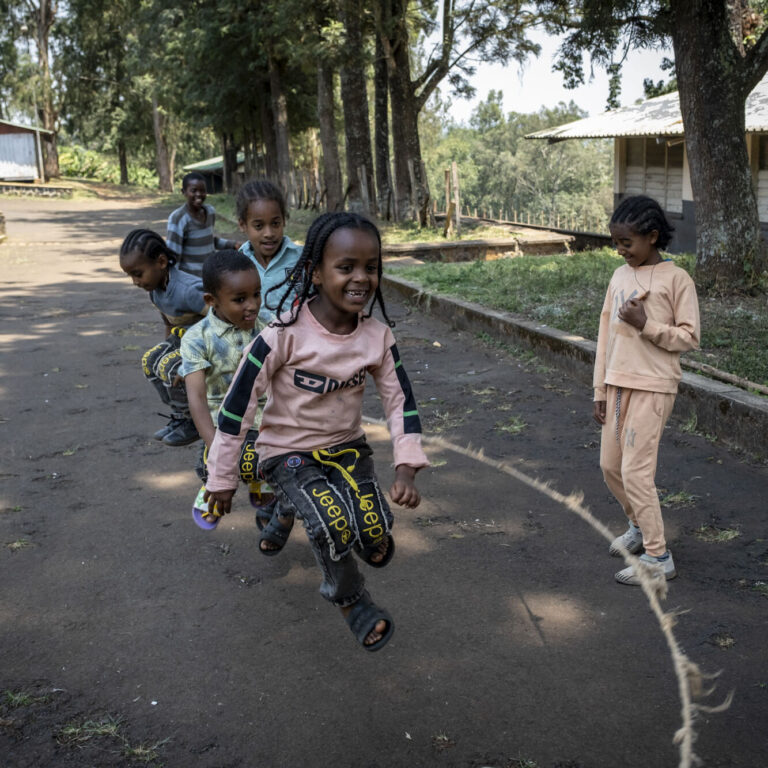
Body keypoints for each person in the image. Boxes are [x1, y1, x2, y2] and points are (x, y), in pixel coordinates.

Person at [204, 212, 428, 651]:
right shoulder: (281, 335)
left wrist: (406, 466)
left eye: (372, 267)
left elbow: (401, 400)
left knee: (372, 528)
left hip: (347, 448)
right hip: (286, 452)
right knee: (333, 524)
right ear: (315, 272)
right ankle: (351, 601)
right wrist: (222, 477)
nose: (361, 278)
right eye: (346, 267)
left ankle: (338, 523)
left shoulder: (378, 337)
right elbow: (237, 408)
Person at [593, 195, 700, 586]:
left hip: (654, 387)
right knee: (610, 466)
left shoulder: (677, 279)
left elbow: (689, 338)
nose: (620, 250)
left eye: (627, 243)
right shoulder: (619, 277)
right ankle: (638, 527)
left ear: (652, 236)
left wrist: (645, 324)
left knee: (636, 472)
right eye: (616, 242)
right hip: (617, 384)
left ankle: (658, 558)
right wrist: (599, 390)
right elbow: (605, 334)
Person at [178, 249, 276, 530]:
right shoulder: (197, 338)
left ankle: (259, 481)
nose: (253, 305)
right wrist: (218, 449)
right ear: (212, 301)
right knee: (212, 465)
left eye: (256, 294)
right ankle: (211, 488)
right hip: (222, 423)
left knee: (270, 462)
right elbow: (196, 398)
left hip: (267, 417)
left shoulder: (270, 325)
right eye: (239, 299)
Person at [119, 228, 206, 446]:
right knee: (151, 361)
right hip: (183, 339)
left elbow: (222, 319)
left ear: (161, 262)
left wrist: (191, 361)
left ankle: (194, 419)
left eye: (138, 274)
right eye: (130, 276)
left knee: (169, 365)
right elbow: (169, 325)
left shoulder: (188, 290)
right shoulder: (155, 291)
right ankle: (180, 414)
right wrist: (166, 347)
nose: (135, 282)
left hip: (205, 342)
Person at [236, 178, 302, 324]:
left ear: (284, 221)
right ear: (243, 225)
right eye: (259, 226)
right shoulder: (237, 263)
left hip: (294, 340)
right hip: (251, 342)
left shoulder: (301, 259)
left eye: (275, 224)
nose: (269, 233)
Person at [166, 172, 241, 278]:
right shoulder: (178, 218)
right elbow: (173, 255)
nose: (199, 194)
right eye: (193, 190)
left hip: (210, 275)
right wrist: (172, 282)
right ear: (184, 192)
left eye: (202, 190)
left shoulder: (210, 212)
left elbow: (209, 240)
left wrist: (233, 244)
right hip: (189, 280)